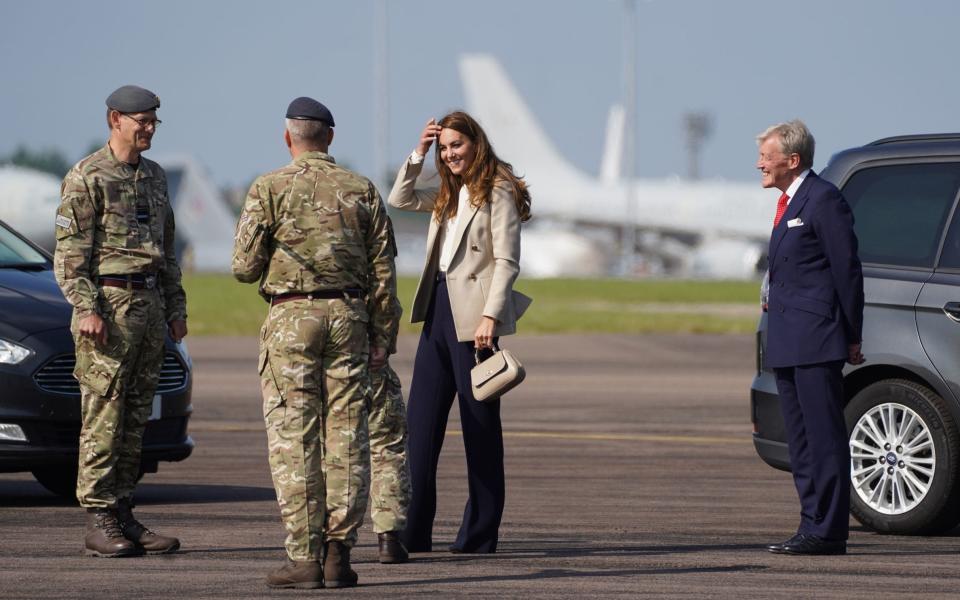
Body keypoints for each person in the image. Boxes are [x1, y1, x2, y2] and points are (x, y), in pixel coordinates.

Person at [232, 96, 398, 589]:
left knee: (294, 437)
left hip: (291, 318)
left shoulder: (269, 187)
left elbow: (243, 268)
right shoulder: (360, 188)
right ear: (329, 138)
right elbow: (384, 271)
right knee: (347, 437)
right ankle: (338, 555)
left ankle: (302, 557)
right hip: (349, 317)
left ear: (289, 138)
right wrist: (382, 336)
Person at [388, 111, 532, 554]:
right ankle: (413, 531)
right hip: (437, 312)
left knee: (480, 430)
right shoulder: (447, 193)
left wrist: (491, 316)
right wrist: (420, 152)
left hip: (475, 321)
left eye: (457, 145)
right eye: (445, 147)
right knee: (419, 426)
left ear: (476, 144)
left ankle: (479, 534)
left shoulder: (498, 188)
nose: (450, 154)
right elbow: (399, 197)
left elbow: (507, 260)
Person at [54, 85, 187, 558]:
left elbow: (166, 248)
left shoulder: (154, 176)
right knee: (104, 414)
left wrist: (175, 308)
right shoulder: (87, 175)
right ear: (115, 119)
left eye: (153, 121)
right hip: (109, 307)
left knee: (135, 417)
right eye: (141, 121)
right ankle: (98, 516)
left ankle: (124, 512)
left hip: (148, 306)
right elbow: (70, 254)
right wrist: (86, 307)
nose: (148, 128)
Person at [756, 120, 864, 556]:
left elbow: (847, 271)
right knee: (800, 442)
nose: (760, 163)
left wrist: (852, 333)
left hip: (816, 339)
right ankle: (810, 524)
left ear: (792, 160)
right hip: (786, 339)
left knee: (824, 439)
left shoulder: (823, 199)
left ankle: (829, 530)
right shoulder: (788, 202)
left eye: (767, 156)